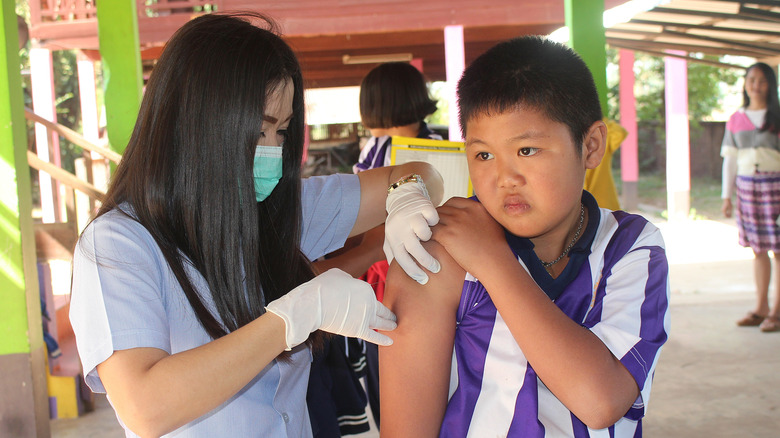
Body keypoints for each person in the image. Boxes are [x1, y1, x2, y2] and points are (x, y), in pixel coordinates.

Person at [68, 12, 443, 438]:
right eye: (258, 131)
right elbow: (145, 406)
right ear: (198, 123)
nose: (272, 151)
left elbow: (421, 172)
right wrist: (293, 317)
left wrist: (410, 195)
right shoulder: (119, 245)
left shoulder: (277, 211)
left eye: (282, 133)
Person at [379, 36, 671, 437]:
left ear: (590, 145)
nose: (505, 179)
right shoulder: (435, 256)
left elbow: (600, 401)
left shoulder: (631, 246)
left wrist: (493, 261)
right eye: (483, 155)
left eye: (527, 150)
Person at [307, 61, 442, 435]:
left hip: (389, 290)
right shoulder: (444, 145)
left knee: (396, 397)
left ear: (372, 105)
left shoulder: (378, 150)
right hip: (449, 284)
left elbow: (354, 225)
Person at [722, 62, 780, 333]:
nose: (756, 85)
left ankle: (777, 312)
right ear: (745, 83)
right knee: (758, 250)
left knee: (778, 251)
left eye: (762, 80)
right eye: (751, 79)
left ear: (771, 85)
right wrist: (727, 195)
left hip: (775, 187)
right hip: (747, 188)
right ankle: (761, 308)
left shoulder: (777, 116)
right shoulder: (736, 119)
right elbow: (729, 161)